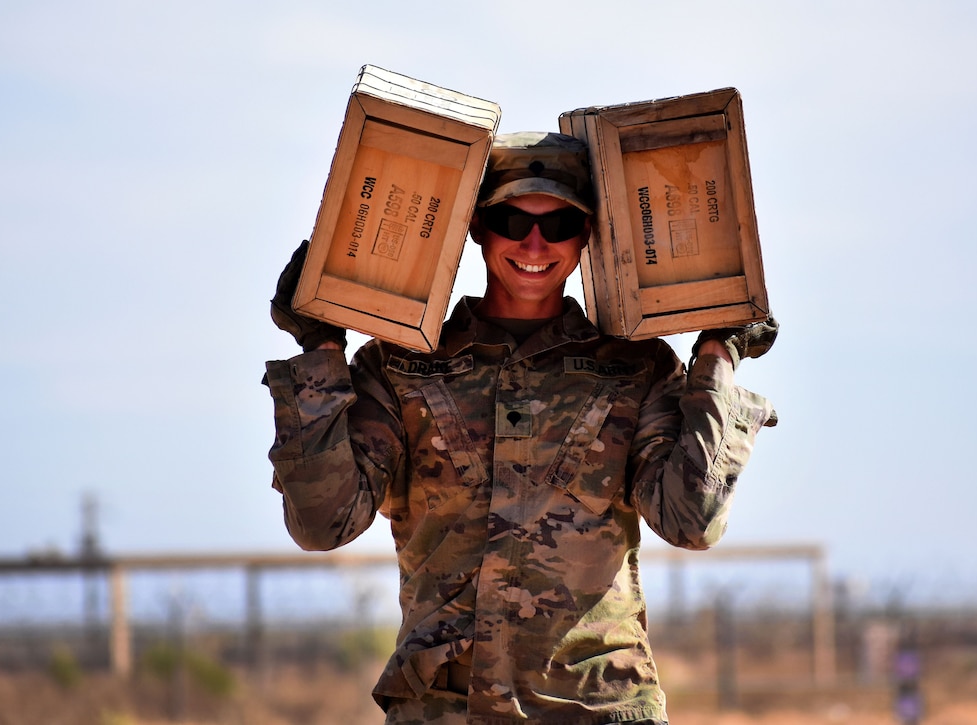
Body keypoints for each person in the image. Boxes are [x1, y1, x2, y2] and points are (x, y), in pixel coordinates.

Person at [265, 131, 778, 724]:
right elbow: (323, 525)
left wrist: (717, 353)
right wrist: (321, 349)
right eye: (512, 220)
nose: (535, 242)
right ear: (479, 228)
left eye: (560, 224)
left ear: (587, 237)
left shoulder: (637, 368)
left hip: (595, 707)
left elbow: (693, 521)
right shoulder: (400, 367)